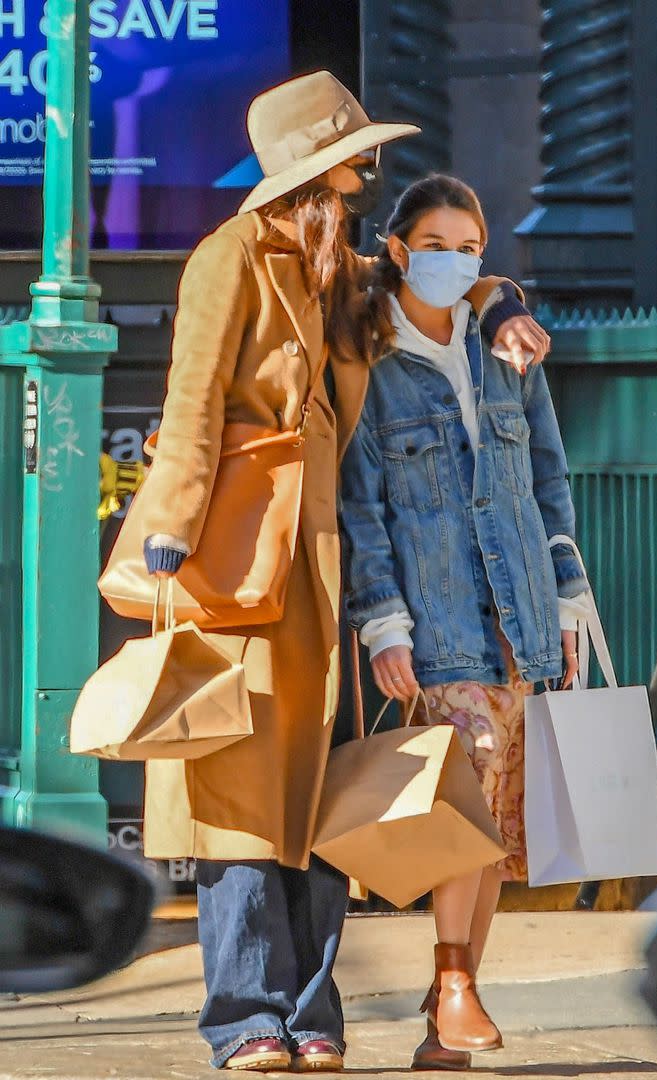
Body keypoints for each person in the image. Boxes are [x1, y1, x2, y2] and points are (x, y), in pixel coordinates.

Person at [138, 72, 549, 1073]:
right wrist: (171, 533)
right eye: (354, 159)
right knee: (239, 792)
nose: (368, 175)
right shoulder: (229, 258)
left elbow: (465, 279)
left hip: (327, 560)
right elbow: (192, 401)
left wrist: (504, 310)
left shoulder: (351, 273)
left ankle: (314, 1016)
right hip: (238, 552)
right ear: (315, 172)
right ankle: (245, 1019)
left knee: (322, 795)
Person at [340, 174, 590, 1071]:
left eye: (470, 246)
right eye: (437, 243)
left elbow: (550, 479)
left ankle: (451, 1008)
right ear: (400, 250)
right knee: (467, 807)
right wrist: (383, 623)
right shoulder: (371, 361)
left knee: (493, 830)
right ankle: (453, 983)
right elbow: (360, 507)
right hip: (436, 620)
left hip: (520, 613)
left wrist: (565, 595)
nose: (456, 260)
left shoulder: (507, 353)